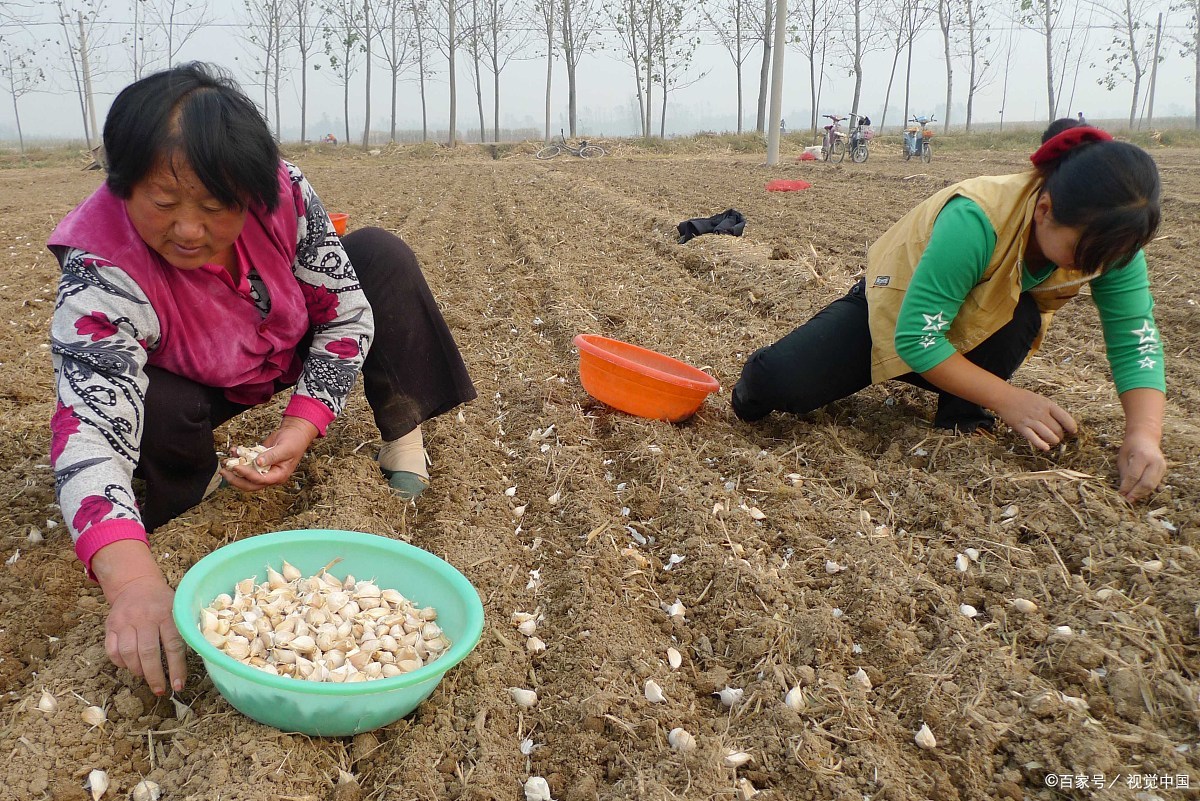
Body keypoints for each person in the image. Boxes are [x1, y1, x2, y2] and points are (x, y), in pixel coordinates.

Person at [46, 63, 476, 696]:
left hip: (282, 342)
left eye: (215, 208)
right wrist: (132, 581)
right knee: (156, 406)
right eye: (163, 204)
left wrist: (302, 425)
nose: (188, 230)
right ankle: (190, 486)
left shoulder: (283, 195)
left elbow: (345, 315)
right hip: (192, 377)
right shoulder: (101, 268)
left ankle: (403, 436)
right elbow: (88, 424)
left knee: (379, 257)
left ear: (249, 193)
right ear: (122, 186)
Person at [732, 118, 1165, 503]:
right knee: (778, 381)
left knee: (1020, 313)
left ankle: (963, 415)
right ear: (1045, 210)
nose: (1092, 268)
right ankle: (756, 384)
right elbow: (917, 338)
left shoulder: (1109, 248)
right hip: (892, 314)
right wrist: (1009, 399)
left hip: (969, 332)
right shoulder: (976, 218)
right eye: (1083, 254)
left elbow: (1136, 341)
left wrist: (1144, 436)